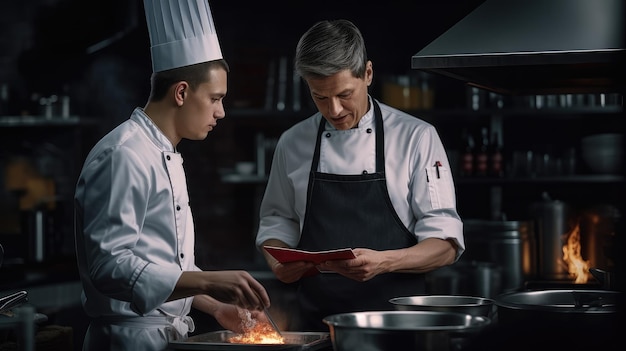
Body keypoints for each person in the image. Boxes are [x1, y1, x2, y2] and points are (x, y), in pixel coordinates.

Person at [74, 1, 270, 350]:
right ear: (181, 92)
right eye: (215, 98)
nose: (221, 112)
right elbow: (108, 265)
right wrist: (208, 281)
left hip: (165, 338)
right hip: (128, 340)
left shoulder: (165, 153)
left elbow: (164, 267)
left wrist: (216, 306)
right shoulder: (124, 154)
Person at [255, 19, 464, 331]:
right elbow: (277, 220)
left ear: (368, 73)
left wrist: (384, 262)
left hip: (398, 326)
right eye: (320, 97)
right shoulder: (292, 142)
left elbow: (445, 245)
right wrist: (277, 263)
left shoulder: (417, 137)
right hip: (317, 326)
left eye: (344, 94)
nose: (334, 109)